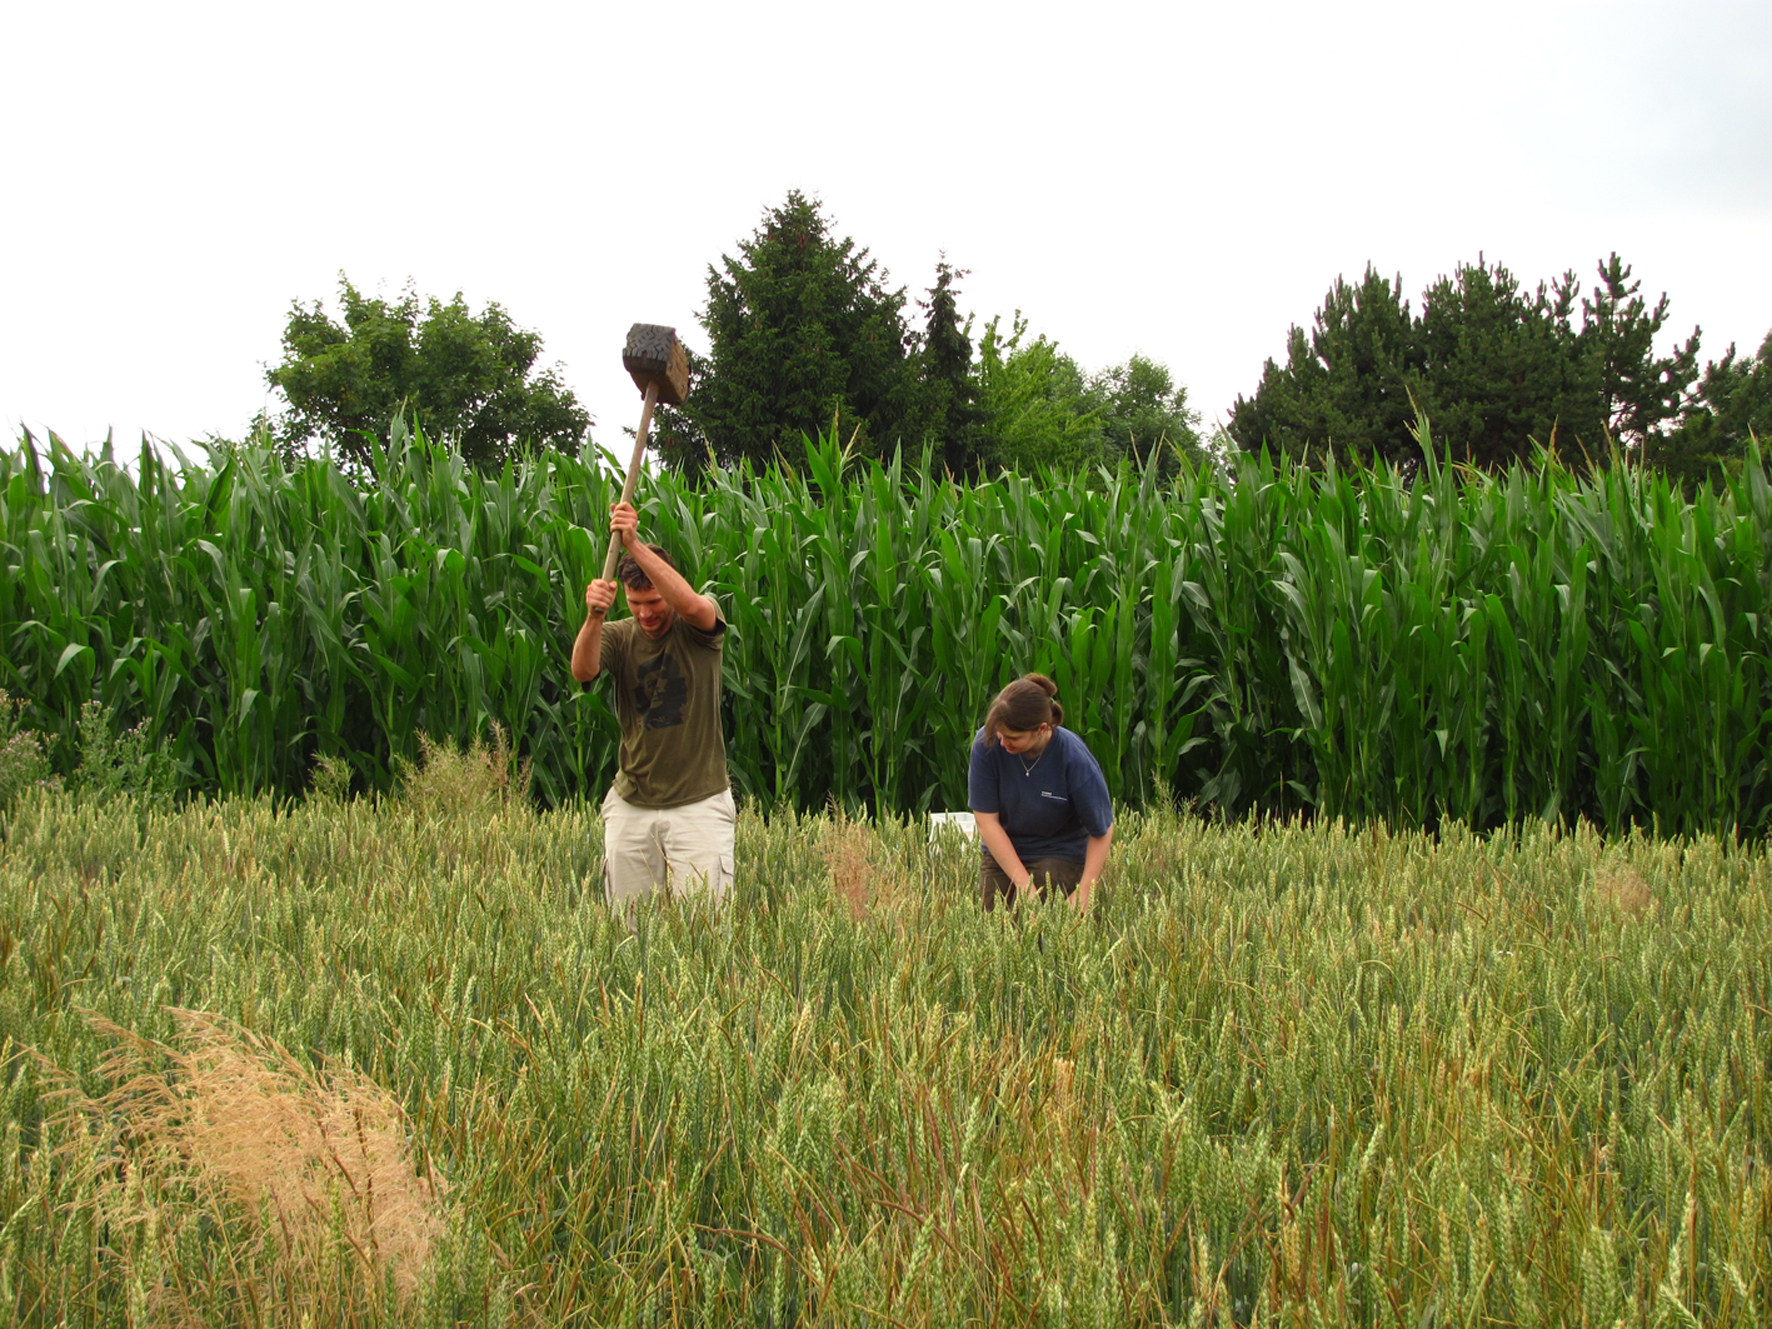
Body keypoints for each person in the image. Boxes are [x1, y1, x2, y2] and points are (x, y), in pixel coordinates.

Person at [571, 500, 734, 907]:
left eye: (654, 602)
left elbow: (693, 605)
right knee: (628, 932)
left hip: (699, 806)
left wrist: (633, 544)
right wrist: (593, 616)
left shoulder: (697, 629)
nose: (645, 613)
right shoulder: (619, 635)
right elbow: (583, 671)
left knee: (704, 935)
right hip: (631, 805)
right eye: (635, 602)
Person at [967, 674, 1114, 911]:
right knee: (992, 929)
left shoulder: (1074, 758)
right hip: (1004, 849)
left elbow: (1102, 830)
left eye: (1014, 738)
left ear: (1041, 729)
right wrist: (1025, 886)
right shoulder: (987, 744)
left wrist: (1086, 891)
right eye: (1000, 735)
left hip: (1058, 852)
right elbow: (986, 822)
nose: (1004, 743)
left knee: (1029, 923)